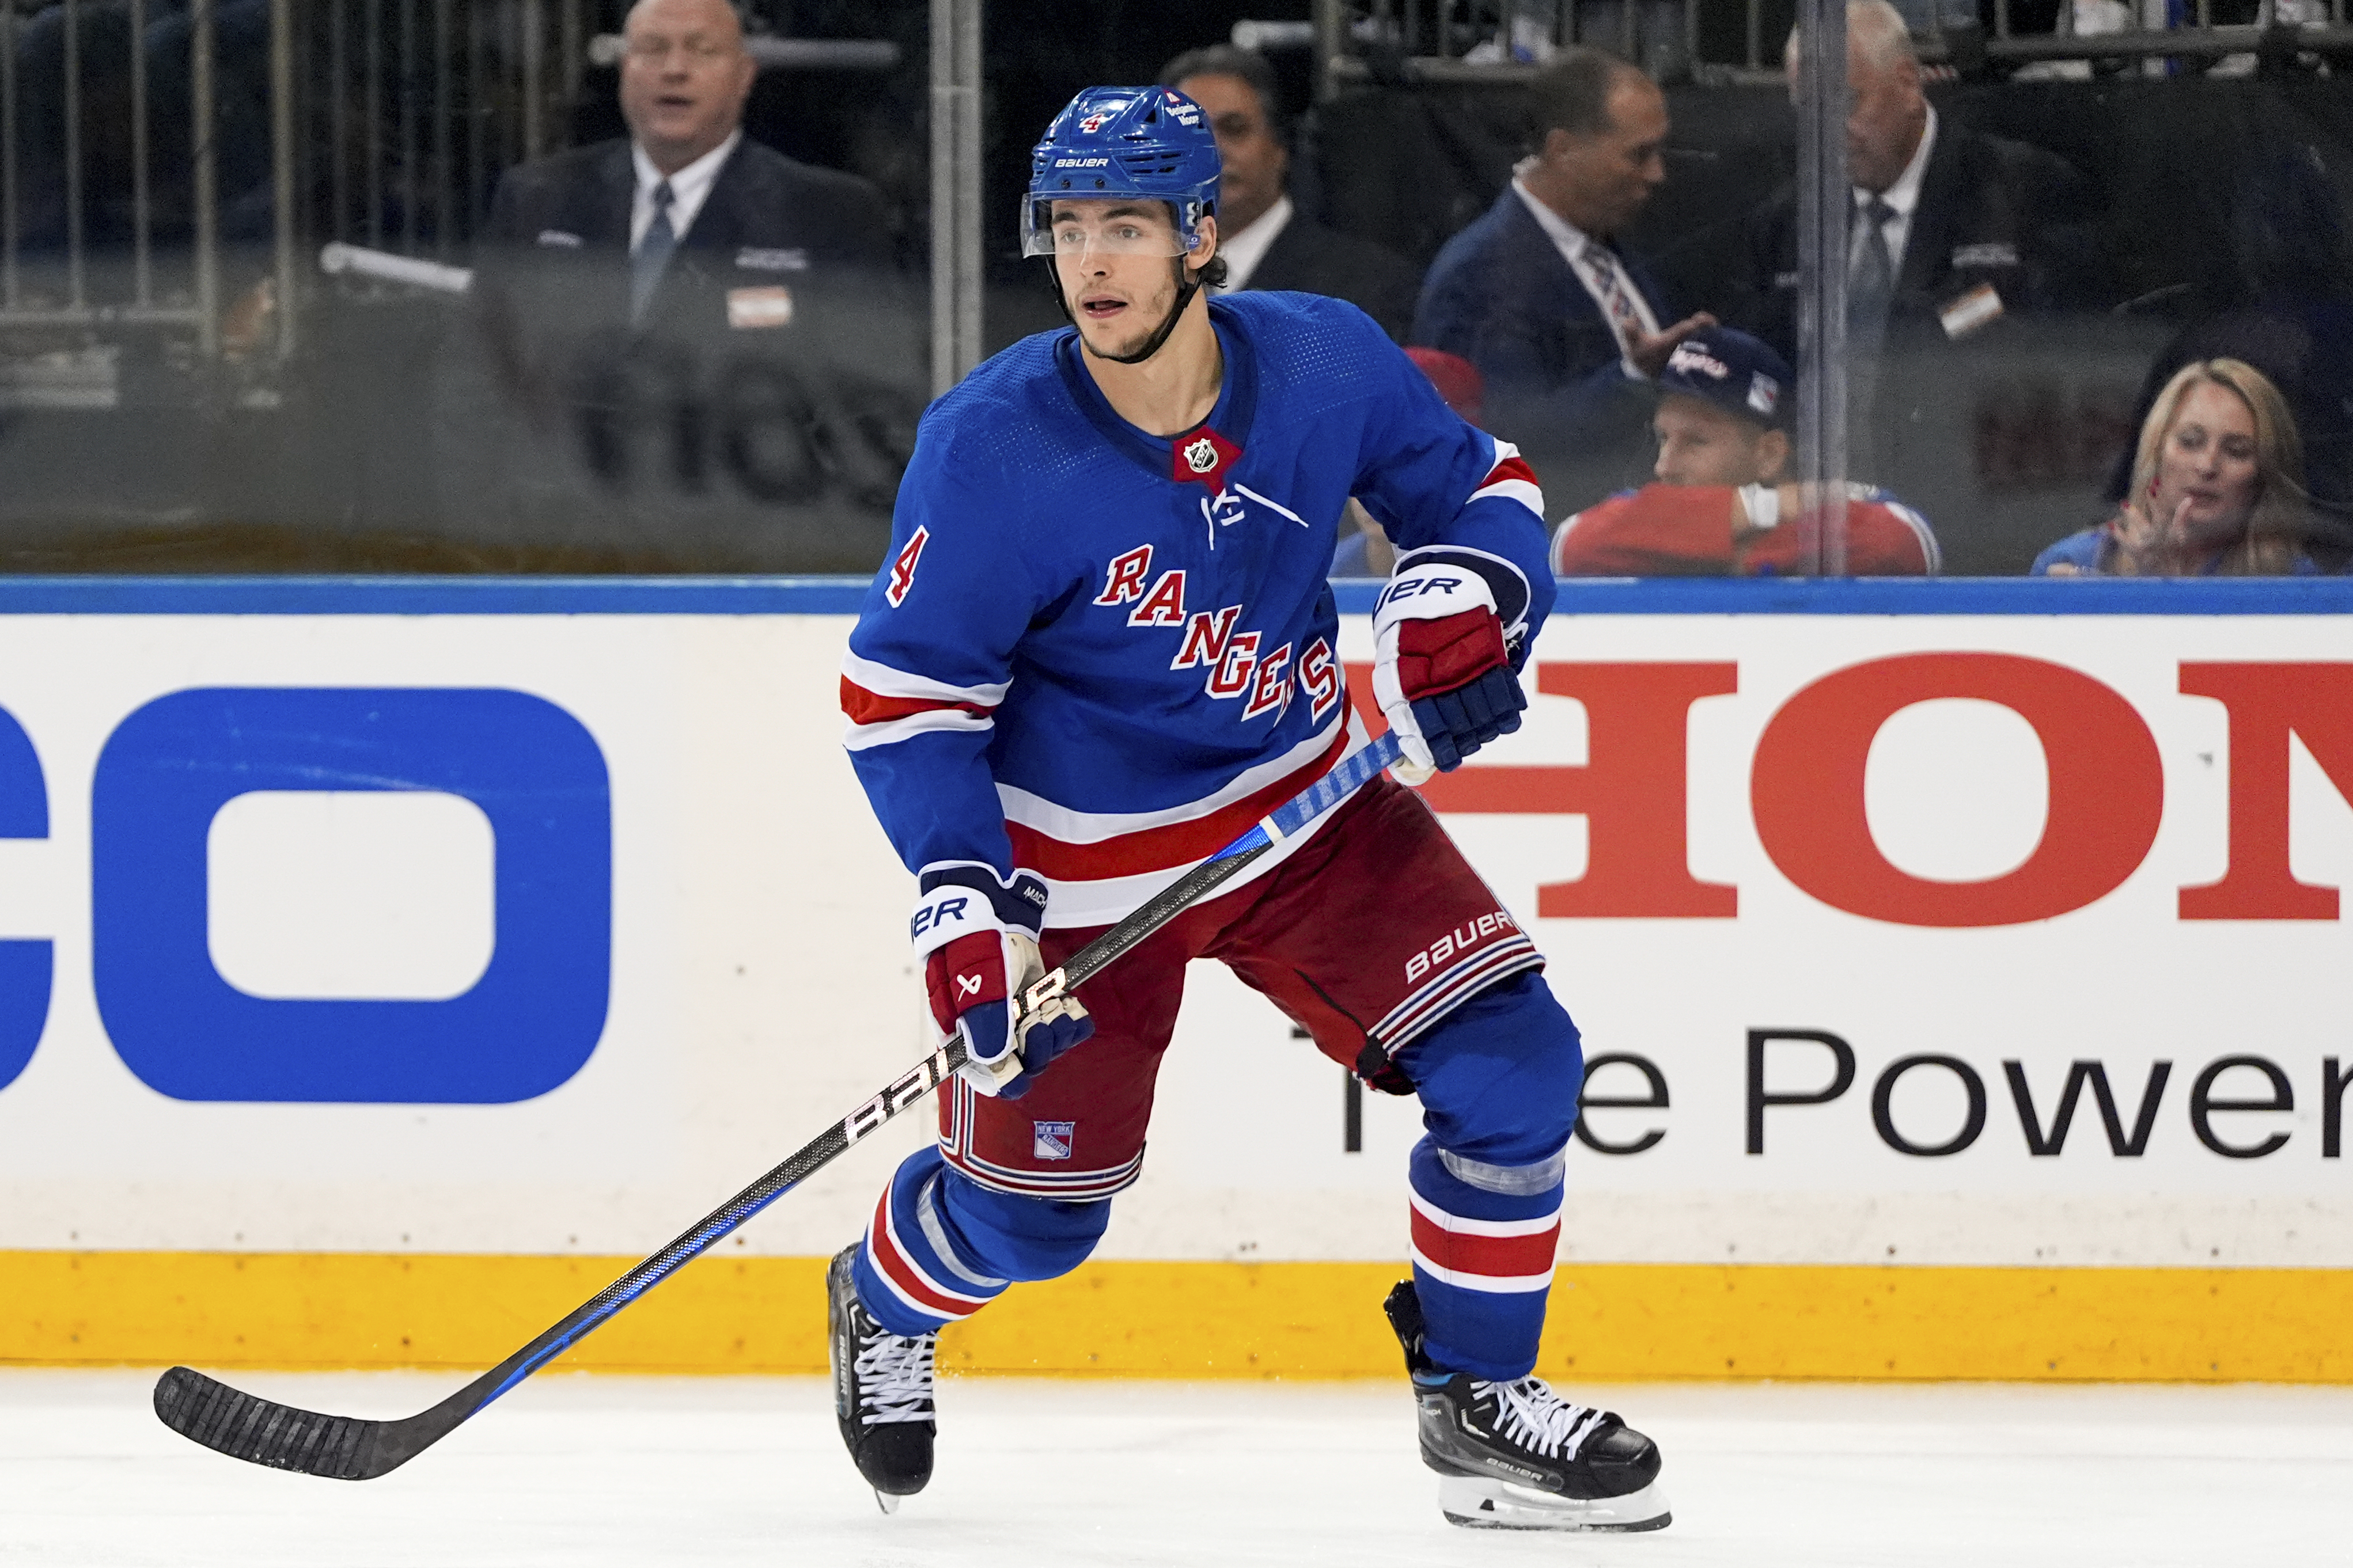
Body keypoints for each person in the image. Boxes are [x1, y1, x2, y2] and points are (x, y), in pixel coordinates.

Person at [826, 84, 1670, 1535]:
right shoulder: (992, 448)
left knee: (1516, 1063)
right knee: (1033, 1225)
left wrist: (1459, 599)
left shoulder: (1325, 360)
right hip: (1081, 880)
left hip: (1303, 811)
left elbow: (1485, 490)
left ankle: (1474, 1401)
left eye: (1130, 227)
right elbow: (907, 701)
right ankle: (881, 1293)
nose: (1093, 262)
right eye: (1071, 228)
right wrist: (962, 895)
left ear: (1201, 237)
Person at [459, 0, 912, 562]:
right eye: (652, 49)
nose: (674, 69)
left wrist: (800, 576)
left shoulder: (825, 214)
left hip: (751, 583)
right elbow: (470, 386)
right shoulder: (538, 199)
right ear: (624, 68)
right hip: (557, 570)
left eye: (702, 50)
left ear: (744, 75)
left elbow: (873, 415)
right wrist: (490, 550)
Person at [1410, 48, 1714, 506]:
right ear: (1563, 150)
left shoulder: (1610, 244)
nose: (1657, 174)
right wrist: (1634, 377)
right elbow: (1505, 437)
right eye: (1639, 155)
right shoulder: (1480, 275)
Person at [1551, 326, 1939, 575]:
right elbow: (1572, 545)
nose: (1664, 466)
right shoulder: (1641, 507)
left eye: (1695, 441)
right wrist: (1762, 508)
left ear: (1769, 454)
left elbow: (1906, 541)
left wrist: (1693, 547)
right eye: (1663, 438)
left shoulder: (1844, 506)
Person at [1160, 43, 1423, 343]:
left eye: (1234, 129)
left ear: (1279, 148)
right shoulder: (1127, 281)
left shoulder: (1373, 288)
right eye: (1188, 133)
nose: (1211, 152)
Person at [2034, 358, 2312, 576]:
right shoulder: (2074, 563)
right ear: (2155, 454)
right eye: (2190, 442)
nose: (2207, 466)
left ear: (2262, 477)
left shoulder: (2298, 583)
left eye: (2236, 451)